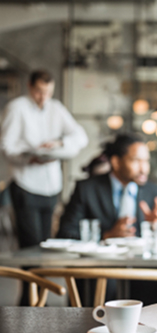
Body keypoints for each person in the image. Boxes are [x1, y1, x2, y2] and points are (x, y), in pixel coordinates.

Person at [0, 69, 88, 249]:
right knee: (30, 242)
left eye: (48, 92)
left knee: (46, 242)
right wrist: (28, 158)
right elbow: (6, 146)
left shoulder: (56, 108)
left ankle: (38, 277)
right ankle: (28, 278)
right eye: (39, 92)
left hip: (51, 186)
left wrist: (59, 143)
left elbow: (81, 137)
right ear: (29, 87)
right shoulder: (16, 108)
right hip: (25, 184)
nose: (43, 97)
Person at [57, 133, 157, 244]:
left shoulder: (154, 191)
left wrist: (156, 227)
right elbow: (65, 233)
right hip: (101, 265)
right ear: (116, 162)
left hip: (142, 265)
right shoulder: (87, 189)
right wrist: (106, 236)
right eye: (136, 160)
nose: (144, 169)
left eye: (146, 161)